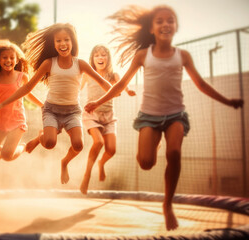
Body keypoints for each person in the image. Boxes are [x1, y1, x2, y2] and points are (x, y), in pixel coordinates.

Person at [84, 5, 243, 231]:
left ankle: (167, 205)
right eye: (160, 21)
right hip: (149, 116)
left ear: (175, 27)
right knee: (146, 163)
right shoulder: (142, 55)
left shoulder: (183, 56)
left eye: (170, 20)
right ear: (151, 28)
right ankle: (155, 142)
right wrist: (97, 102)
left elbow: (201, 84)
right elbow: (120, 84)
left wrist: (228, 101)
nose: (165, 24)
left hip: (175, 115)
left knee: (175, 153)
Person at [0, 23, 112, 184]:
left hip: (72, 111)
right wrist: (2, 103)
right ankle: (40, 138)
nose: (63, 44)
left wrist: (111, 93)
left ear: (73, 42)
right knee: (49, 143)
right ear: (53, 44)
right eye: (58, 41)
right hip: (52, 110)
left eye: (66, 40)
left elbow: (106, 85)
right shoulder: (49, 63)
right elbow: (26, 87)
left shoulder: (80, 64)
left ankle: (64, 163)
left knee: (78, 145)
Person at [80, 44, 136, 194]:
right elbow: (76, 88)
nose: (100, 57)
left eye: (103, 55)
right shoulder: (88, 74)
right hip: (91, 114)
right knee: (99, 142)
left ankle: (101, 163)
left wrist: (129, 91)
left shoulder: (113, 76)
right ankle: (87, 175)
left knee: (111, 150)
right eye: (97, 55)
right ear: (92, 59)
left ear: (108, 58)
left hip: (109, 117)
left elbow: (124, 85)